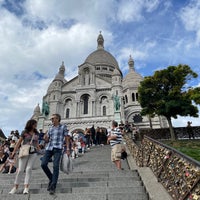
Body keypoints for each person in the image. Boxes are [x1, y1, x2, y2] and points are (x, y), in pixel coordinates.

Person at [41, 113, 70, 195]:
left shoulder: (63, 127)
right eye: (51, 119)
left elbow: (67, 138)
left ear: (58, 119)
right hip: (49, 148)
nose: (52, 120)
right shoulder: (50, 128)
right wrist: (45, 138)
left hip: (58, 148)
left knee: (55, 166)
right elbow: (47, 140)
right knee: (43, 164)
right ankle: (51, 178)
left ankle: (53, 186)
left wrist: (67, 149)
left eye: (53, 118)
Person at [9, 119, 40, 194]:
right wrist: (14, 151)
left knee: (29, 169)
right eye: (35, 124)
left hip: (33, 152)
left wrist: (40, 150)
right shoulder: (25, 132)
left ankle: (26, 187)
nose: (36, 125)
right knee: (20, 170)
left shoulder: (36, 133)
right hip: (24, 151)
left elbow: (36, 143)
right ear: (31, 124)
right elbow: (19, 142)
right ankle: (15, 187)